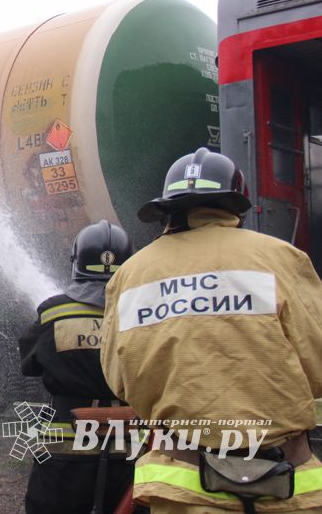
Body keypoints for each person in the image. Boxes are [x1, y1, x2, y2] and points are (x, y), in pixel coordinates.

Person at [101, 147, 322, 513]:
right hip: (284, 484)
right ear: (234, 204)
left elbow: (119, 377)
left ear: (167, 209)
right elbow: (317, 360)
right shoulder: (281, 258)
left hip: (182, 488)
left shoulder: (131, 274)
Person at [19, 219, 135, 513]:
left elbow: (29, 363)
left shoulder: (53, 312)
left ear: (76, 263)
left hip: (64, 453)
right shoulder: (144, 314)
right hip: (131, 451)